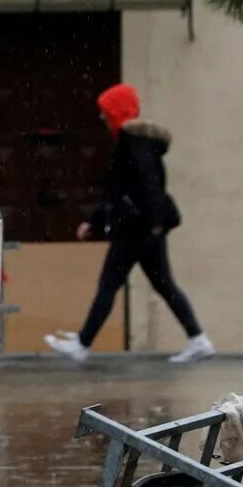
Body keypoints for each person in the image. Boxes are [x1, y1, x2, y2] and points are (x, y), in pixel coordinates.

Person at [47, 83, 213, 365]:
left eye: (105, 112)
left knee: (109, 284)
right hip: (145, 230)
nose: (101, 118)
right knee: (164, 285)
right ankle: (198, 339)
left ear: (117, 112)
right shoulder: (138, 143)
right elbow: (124, 192)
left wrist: (153, 224)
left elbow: (142, 189)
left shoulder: (132, 144)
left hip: (135, 231)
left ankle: (82, 343)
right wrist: (96, 220)